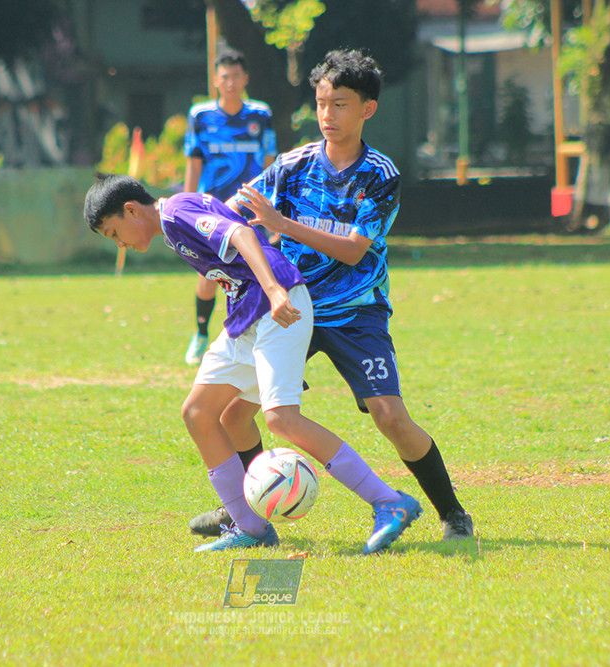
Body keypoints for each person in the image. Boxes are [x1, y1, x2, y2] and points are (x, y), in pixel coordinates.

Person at [188, 49, 475, 542]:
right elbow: (235, 210)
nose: (327, 115)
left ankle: (453, 514)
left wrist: (282, 225)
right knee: (234, 415)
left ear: (368, 108)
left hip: (355, 312)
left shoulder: (380, 175)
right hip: (291, 307)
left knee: (390, 416)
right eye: (321, 103)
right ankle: (251, 505)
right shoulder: (292, 164)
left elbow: (353, 250)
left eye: (339, 104)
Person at [84, 174, 422, 554]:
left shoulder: (177, 212)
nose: (121, 244)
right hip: (246, 319)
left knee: (282, 419)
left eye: (115, 233)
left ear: (131, 210)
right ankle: (250, 526)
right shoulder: (173, 225)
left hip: (277, 309)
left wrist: (276, 290)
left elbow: (242, 237)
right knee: (202, 413)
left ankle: (387, 500)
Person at [182, 49, 277, 366]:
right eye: (225, 76)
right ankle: (199, 334)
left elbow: (269, 162)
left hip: (251, 205)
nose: (231, 82)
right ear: (215, 80)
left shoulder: (260, 115)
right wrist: (185, 205)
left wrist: (273, 204)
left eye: (236, 76)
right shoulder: (200, 116)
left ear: (245, 78)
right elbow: (193, 163)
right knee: (210, 271)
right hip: (211, 208)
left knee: (255, 268)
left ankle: (248, 335)